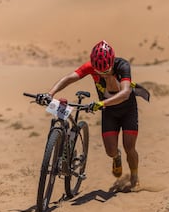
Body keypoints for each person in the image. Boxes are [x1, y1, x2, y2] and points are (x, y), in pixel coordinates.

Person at [35, 40, 149, 190]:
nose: (103, 73)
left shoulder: (123, 65)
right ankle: (116, 157)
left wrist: (102, 103)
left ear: (112, 61)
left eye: (107, 70)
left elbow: (126, 92)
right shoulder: (91, 67)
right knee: (110, 151)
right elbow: (70, 77)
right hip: (109, 112)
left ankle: (134, 176)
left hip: (127, 109)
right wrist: (50, 93)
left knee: (129, 146)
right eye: (99, 71)